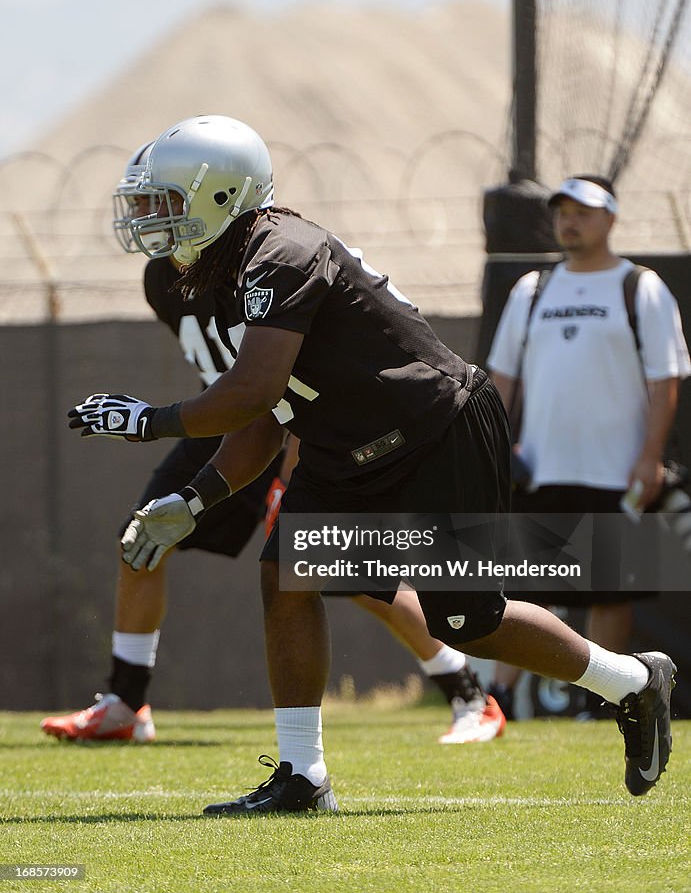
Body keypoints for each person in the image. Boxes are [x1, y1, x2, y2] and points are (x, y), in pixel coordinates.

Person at [67, 116, 677, 812]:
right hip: (342, 444)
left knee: (466, 619)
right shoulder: (227, 268)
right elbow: (265, 418)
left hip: (434, 428)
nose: (153, 220)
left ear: (219, 196)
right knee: (284, 577)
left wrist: (148, 421)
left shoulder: (281, 250)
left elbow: (253, 391)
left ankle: (629, 680)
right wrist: (196, 500)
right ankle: (303, 775)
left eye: (166, 202)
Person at [42, 143, 505, 746]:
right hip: (224, 418)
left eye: (164, 201)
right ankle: (126, 701)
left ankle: (466, 690)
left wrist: (287, 470)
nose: (150, 216)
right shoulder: (164, 279)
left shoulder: (266, 257)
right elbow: (231, 383)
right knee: (144, 537)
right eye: (147, 202)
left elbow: (277, 385)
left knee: (346, 572)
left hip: (290, 421)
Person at [486, 174, 690, 720]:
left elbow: (664, 380)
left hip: (615, 470)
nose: (570, 220)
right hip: (539, 469)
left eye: (584, 211)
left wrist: (649, 457)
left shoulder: (640, 286)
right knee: (527, 589)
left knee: (609, 592)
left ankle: (613, 701)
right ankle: (498, 701)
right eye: (562, 211)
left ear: (611, 218)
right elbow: (501, 381)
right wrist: (495, 449)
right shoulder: (531, 290)